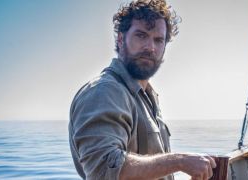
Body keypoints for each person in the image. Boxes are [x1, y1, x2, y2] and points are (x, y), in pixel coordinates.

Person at [69, 0, 216, 179]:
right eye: (141, 35)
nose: (150, 47)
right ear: (121, 39)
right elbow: (103, 170)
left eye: (158, 40)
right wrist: (180, 161)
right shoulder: (105, 91)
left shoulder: (146, 97)